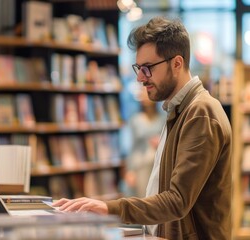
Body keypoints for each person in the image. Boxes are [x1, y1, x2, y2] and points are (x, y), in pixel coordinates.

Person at [53, 16, 232, 239]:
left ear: (177, 63)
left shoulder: (201, 113)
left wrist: (109, 208)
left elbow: (177, 201)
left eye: (147, 68)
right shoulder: (178, 110)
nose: (139, 77)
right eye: (138, 67)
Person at [123, 89, 164, 197]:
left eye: (147, 93)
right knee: (142, 197)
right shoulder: (135, 119)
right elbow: (132, 146)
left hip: (158, 164)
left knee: (157, 196)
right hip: (141, 164)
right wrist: (130, 170)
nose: (145, 97)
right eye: (142, 94)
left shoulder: (163, 118)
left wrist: (160, 142)